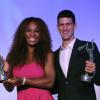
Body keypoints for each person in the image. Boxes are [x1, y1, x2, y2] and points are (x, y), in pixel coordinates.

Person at [3, 17, 55, 100]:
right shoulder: (12, 56)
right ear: (22, 33)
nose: (32, 34)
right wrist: (4, 73)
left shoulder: (47, 54)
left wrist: (23, 81)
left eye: (37, 31)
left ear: (42, 34)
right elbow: (9, 88)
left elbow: (50, 82)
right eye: (28, 30)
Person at [52, 10, 100, 100]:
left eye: (68, 24)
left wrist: (94, 72)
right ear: (57, 27)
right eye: (61, 25)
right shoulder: (53, 56)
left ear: (75, 25)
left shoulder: (89, 47)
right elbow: (54, 86)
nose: (65, 28)